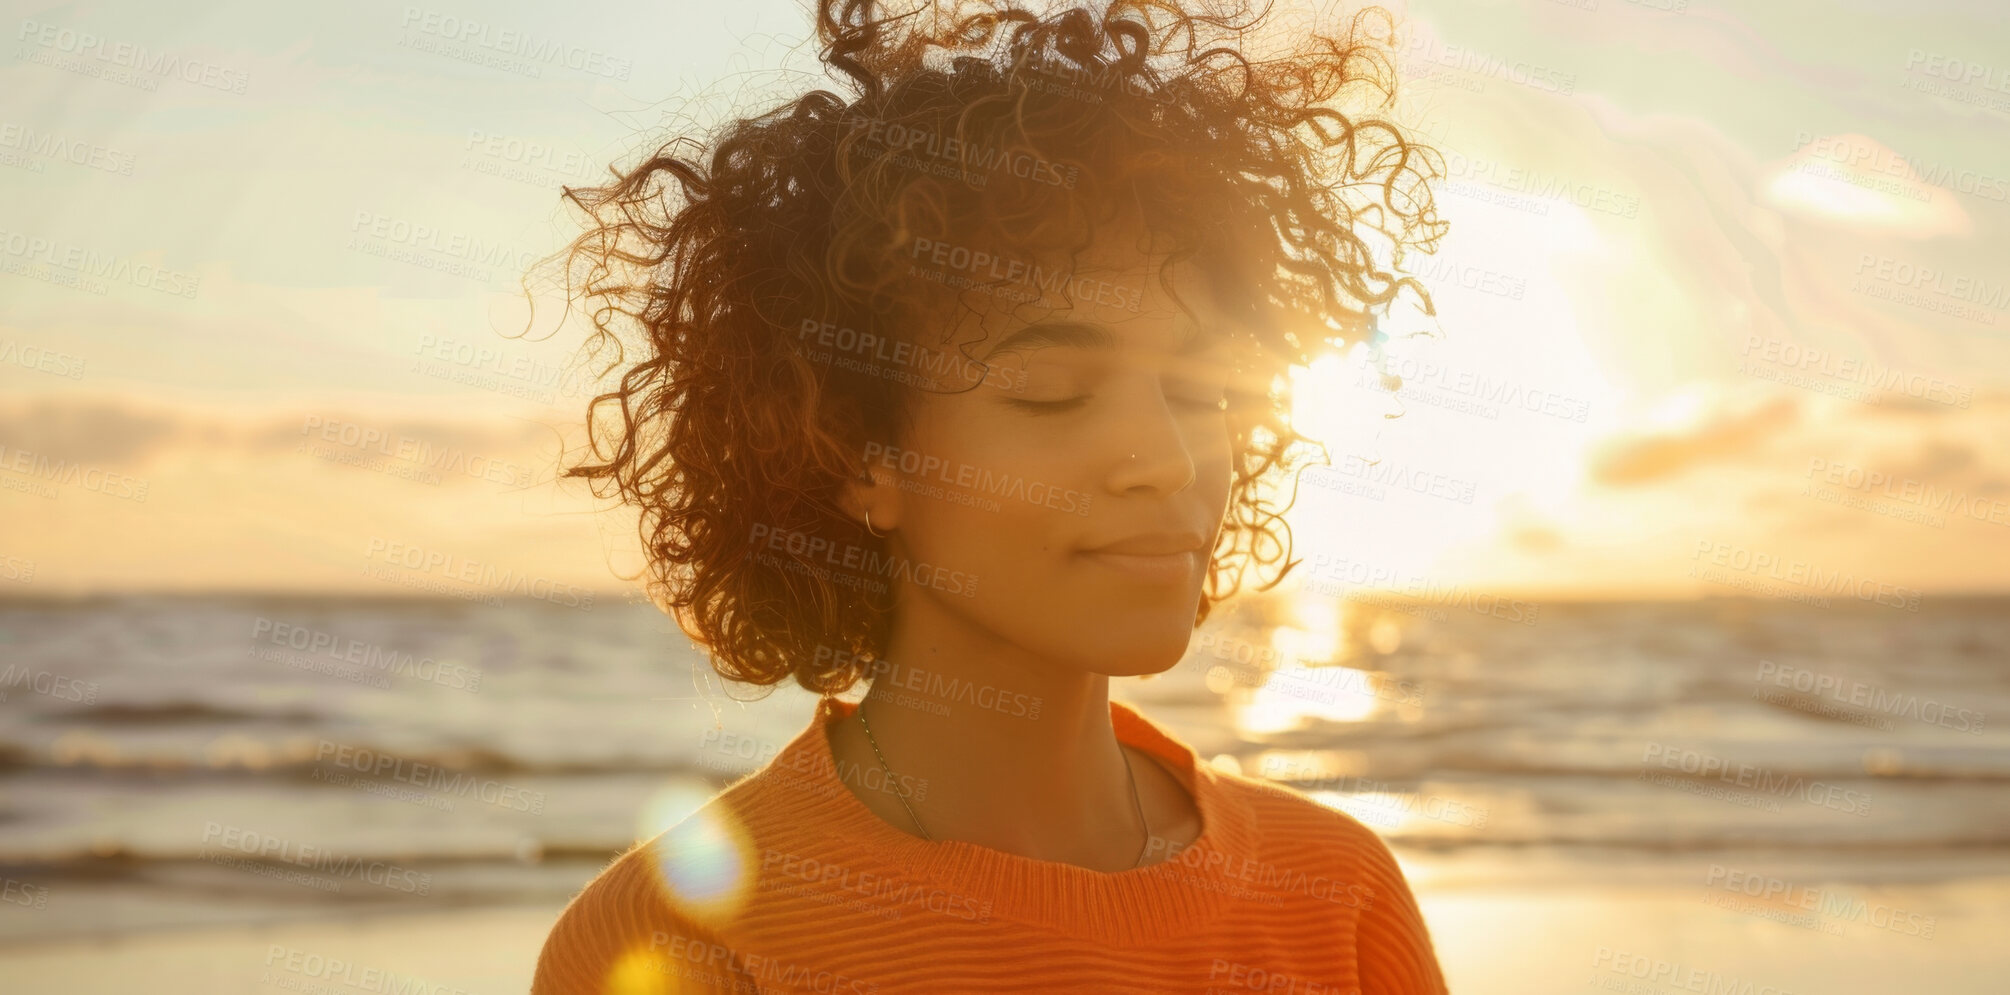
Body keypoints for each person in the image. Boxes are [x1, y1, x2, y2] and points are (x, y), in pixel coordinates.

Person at [533, 1, 1450, 991]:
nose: (1171, 460)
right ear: (856, 455)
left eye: (1200, 390)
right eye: (1052, 394)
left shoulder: (1338, 892)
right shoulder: (682, 939)